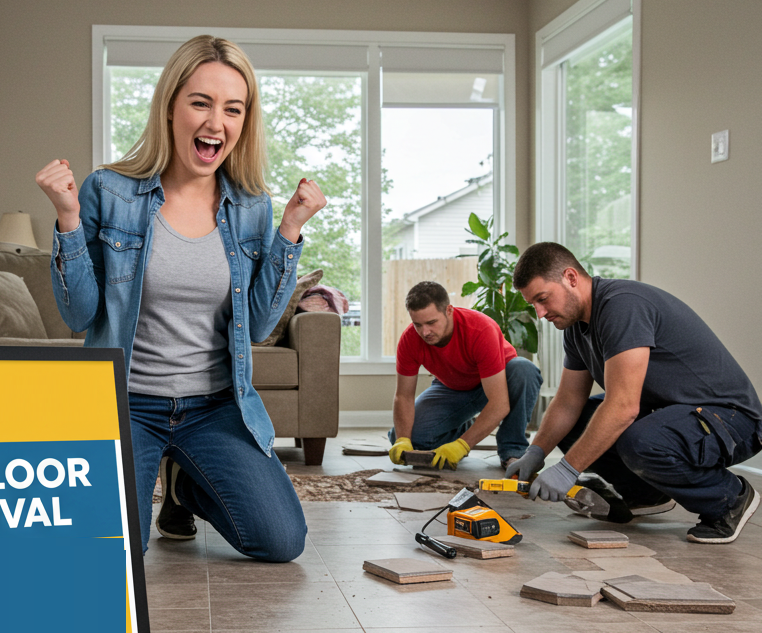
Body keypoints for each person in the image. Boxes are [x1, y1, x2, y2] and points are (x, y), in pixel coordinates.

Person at [37, 35, 327, 561]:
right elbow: (79, 313)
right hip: (126, 403)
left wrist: (288, 231)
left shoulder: (252, 209)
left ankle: (185, 485)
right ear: (171, 107)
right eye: (201, 103)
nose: (217, 122)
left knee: (281, 541)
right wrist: (68, 218)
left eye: (232, 109)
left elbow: (259, 327)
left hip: (214, 407)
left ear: (244, 122)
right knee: (114, 550)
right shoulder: (110, 191)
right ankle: (166, 474)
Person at [508, 242, 762, 543]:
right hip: (671, 412)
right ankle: (646, 494)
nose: (539, 313)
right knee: (576, 423)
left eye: (543, 299)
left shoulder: (621, 306)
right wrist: (535, 453)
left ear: (571, 278)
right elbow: (567, 403)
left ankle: (728, 498)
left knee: (638, 438)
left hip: (732, 419)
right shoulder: (576, 329)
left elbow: (624, 407)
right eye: (533, 304)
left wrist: (567, 470)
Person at [388, 281, 542, 470]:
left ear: (449, 311)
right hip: (451, 386)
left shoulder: (480, 329)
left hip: (497, 380)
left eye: (431, 322)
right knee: (412, 439)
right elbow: (403, 396)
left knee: (524, 369)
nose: (424, 332)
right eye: (417, 324)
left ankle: (513, 451)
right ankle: (462, 426)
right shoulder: (410, 339)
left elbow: (499, 403)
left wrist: (463, 446)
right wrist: (403, 439)